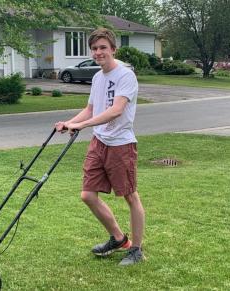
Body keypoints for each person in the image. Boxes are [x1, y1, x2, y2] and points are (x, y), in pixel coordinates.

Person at [55, 28, 145, 266]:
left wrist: (82, 125)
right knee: (87, 195)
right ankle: (118, 238)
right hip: (99, 143)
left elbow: (116, 110)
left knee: (130, 196)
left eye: (103, 47)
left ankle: (136, 249)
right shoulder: (97, 78)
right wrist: (70, 123)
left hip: (121, 145)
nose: (98, 52)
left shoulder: (125, 76)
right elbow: (91, 109)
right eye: (94, 49)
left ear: (113, 49)